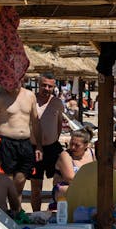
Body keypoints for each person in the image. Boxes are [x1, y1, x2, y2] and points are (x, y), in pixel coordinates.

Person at [0, 82, 40, 204]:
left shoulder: (30, 95)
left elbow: (35, 122)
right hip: (5, 142)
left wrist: (39, 146)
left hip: (25, 143)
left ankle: (16, 210)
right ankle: (5, 210)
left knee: (21, 179)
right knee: (5, 179)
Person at [28, 75, 66, 212]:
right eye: (44, 85)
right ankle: (36, 213)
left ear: (54, 87)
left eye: (50, 86)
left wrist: (53, 138)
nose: (46, 88)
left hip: (52, 148)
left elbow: (59, 123)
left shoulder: (57, 103)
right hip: (34, 148)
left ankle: (55, 210)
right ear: (39, 84)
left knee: (59, 181)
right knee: (36, 186)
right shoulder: (31, 101)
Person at [53, 129, 95, 200]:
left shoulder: (92, 153)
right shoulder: (65, 155)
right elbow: (71, 179)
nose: (72, 147)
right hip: (66, 188)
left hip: (88, 187)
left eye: (77, 145)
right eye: (71, 144)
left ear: (86, 145)